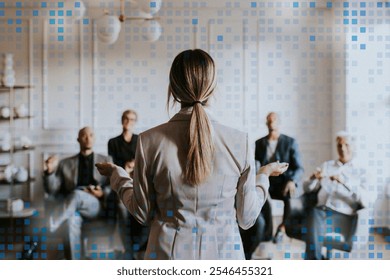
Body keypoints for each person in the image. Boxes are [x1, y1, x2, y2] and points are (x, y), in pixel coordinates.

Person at [96, 49, 289, 260]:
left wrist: (117, 175)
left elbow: (142, 213)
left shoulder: (147, 140)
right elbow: (247, 218)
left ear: (173, 89)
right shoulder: (240, 141)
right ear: (213, 88)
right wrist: (263, 175)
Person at [43, 127, 114, 260]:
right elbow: (52, 190)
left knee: (77, 194)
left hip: (94, 205)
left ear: (95, 138)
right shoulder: (65, 163)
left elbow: (114, 185)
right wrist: (49, 172)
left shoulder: (106, 160)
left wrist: (103, 193)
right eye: (84, 135)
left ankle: (51, 224)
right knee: (70, 221)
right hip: (72, 208)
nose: (88, 138)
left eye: (91, 135)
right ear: (78, 139)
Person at [240, 112, 304, 256]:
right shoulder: (259, 143)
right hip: (266, 182)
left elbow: (299, 168)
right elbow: (254, 166)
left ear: (279, 122)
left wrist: (291, 180)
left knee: (290, 193)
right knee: (261, 197)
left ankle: (282, 228)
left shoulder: (290, 142)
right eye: (268, 120)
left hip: (284, 183)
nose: (271, 123)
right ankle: (265, 234)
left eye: (273, 120)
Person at [303, 131, 369, 260]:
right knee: (313, 214)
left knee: (312, 218)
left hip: (343, 216)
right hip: (321, 211)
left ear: (354, 146)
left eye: (346, 145)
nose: (342, 149)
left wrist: (344, 182)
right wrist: (312, 179)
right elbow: (307, 189)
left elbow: (365, 200)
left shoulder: (361, 171)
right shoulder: (327, 165)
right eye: (339, 145)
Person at [108, 110, 149, 260]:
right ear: (122, 120)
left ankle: (136, 248)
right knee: (121, 206)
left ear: (135, 122)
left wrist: (134, 166)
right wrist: (125, 168)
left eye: (132, 119)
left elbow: (144, 163)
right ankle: (129, 249)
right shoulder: (113, 142)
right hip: (120, 182)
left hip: (138, 183)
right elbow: (112, 166)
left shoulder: (140, 139)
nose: (128, 121)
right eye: (126, 118)